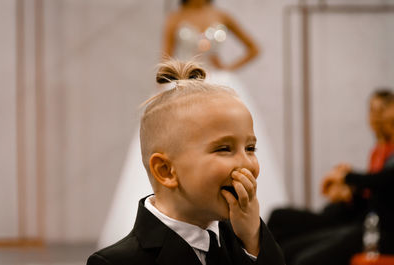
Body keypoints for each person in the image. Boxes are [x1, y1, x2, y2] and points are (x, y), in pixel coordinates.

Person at [98, 0, 287, 248]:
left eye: (252, 150)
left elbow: (253, 48)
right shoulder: (175, 18)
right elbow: (165, 56)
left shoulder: (221, 14)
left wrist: (228, 67)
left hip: (217, 83)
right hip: (184, 86)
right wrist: (166, 100)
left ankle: (246, 231)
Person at [87, 60, 285, 265]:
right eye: (224, 149)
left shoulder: (245, 242)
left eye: (250, 149)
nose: (247, 164)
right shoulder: (115, 263)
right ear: (166, 170)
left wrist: (252, 238)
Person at [267, 89, 394, 265]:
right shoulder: (377, 152)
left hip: (374, 230)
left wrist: (346, 177)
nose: (377, 117)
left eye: (383, 110)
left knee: (299, 256)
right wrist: (348, 192)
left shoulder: (388, 155)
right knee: (282, 232)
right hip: (360, 223)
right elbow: (374, 194)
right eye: (372, 110)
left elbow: (384, 182)